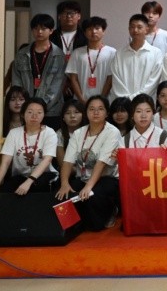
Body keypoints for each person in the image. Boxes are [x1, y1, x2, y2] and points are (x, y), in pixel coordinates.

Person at [55, 95, 121, 231]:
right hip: (83, 177)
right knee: (64, 195)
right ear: (86, 112)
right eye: (91, 109)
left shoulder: (112, 132)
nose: (96, 112)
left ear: (107, 113)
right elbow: (67, 162)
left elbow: (101, 163)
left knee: (93, 196)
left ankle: (112, 210)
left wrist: (88, 187)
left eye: (100, 109)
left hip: (106, 178)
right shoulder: (78, 133)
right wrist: (64, 183)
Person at [0, 97, 58, 202]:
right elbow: (5, 163)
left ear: (44, 115)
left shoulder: (49, 133)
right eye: (30, 112)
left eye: (39, 112)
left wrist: (29, 181)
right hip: (20, 175)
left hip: (44, 175)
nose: (34, 116)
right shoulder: (14, 133)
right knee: (4, 192)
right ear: (22, 114)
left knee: (38, 187)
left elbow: (47, 160)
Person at [10, 13, 67, 130]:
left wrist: (40, 106)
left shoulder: (59, 55)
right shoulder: (22, 54)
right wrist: (25, 105)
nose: (39, 32)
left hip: (51, 110)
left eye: (43, 28)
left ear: (51, 31)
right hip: (26, 109)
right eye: (36, 28)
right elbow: (16, 81)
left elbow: (57, 86)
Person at [107, 14, 164, 101]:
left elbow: (153, 82)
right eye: (132, 27)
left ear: (146, 29)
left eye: (139, 27)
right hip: (123, 104)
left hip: (146, 103)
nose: (135, 30)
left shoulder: (156, 53)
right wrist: (127, 100)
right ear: (129, 29)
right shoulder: (119, 54)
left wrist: (136, 100)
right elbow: (116, 80)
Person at [66, 16, 116, 103]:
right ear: (85, 33)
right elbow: (73, 79)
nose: (93, 32)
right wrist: (81, 100)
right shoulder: (77, 53)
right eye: (90, 29)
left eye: (97, 28)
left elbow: (110, 78)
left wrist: (101, 99)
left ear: (103, 31)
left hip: (104, 101)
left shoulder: (112, 52)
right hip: (80, 101)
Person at [56, 98, 84, 165]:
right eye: (68, 113)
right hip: (68, 169)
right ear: (63, 117)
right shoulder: (59, 134)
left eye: (76, 112)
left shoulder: (89, 131)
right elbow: (62, 164)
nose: (72, 116)